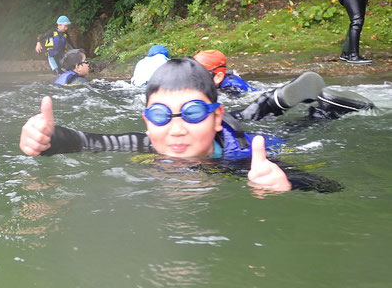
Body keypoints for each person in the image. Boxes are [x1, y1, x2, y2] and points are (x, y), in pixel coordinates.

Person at [20, 58, 342, 193]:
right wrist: (49, 139)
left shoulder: (244, 159)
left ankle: (324, 113)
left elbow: (329, 186)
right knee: (246, 113)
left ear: (213, 116)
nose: (175, 129)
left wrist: (288, 184)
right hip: (221, 120)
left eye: (191, 112)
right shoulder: (150, 142)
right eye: (160, 115)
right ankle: (274, 101)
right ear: (147, 122)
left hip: (240, 135)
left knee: (293, 131)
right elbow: (89, 142)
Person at [192, 50, 374, 121]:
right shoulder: (224, 81)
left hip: (252, 96)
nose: (194, 78)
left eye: (199, 74)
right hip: (259, 92)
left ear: (218, 77)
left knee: (246, 117)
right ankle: (307, 105)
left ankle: (274, 100)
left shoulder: (231, 88)